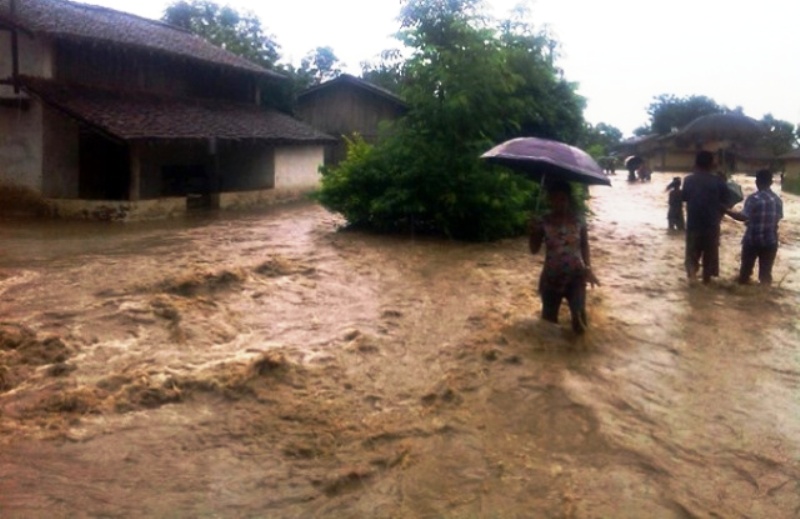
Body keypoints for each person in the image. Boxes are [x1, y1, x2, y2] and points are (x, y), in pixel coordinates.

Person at [529, 180, 600, 334]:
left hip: (576, 276)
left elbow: (584, 245)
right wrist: (533, 233)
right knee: (548, 326)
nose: (558, 203)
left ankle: (581, 354)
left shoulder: (578, 220)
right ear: (549, 200)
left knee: (580, 323)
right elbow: (534, 250)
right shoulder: (543, 221)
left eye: (562, 199)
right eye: (554, 199)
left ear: (568, 199)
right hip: (551, 278)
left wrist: (588, 267)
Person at [725, 169, 783, 284]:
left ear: (757, 182)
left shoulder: (754, 198)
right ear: (771, 182)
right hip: (770, 241)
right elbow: (778, 218)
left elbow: (743, 217)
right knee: (765, 275)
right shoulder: (777, 200)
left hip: (752, 241)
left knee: (744, 275)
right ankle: (765, 297)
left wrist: (726, 210)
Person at [681, 150, 729, 283]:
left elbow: (684, 197)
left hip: (693, 224)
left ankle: (692, 278)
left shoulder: (688, 180)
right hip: (711, 225)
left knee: (691, 255)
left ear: (696, 163)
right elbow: (727, 202)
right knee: (709, 257)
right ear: (711, 164)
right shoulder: (719, 182)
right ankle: (706, 283)